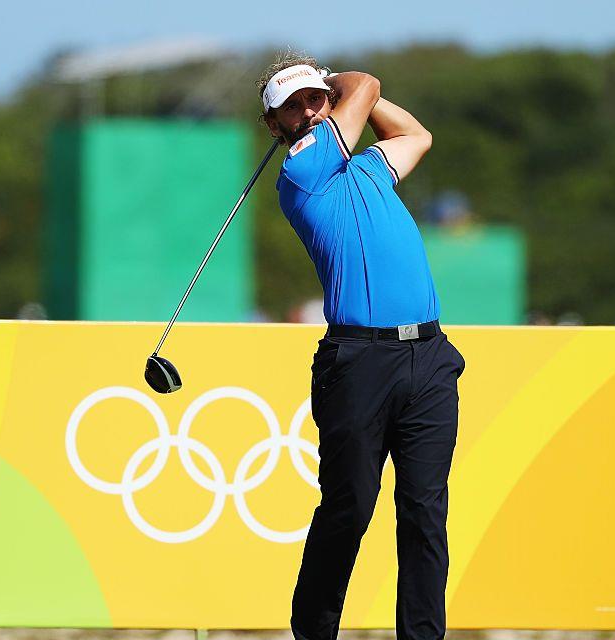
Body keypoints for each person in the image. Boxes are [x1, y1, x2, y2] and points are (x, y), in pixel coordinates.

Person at [257, 54, 466, 640]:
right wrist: (340, 84)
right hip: (358, 362)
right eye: (292, 106)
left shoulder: (367, 170)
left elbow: (416, 135)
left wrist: (348, 98)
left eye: (314, 99)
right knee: (349, 508)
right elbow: (367, 85)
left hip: (428, 358)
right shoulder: (302, 172)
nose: (308, 109)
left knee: (425, 512)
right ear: (276, 128)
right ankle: (314, 631)